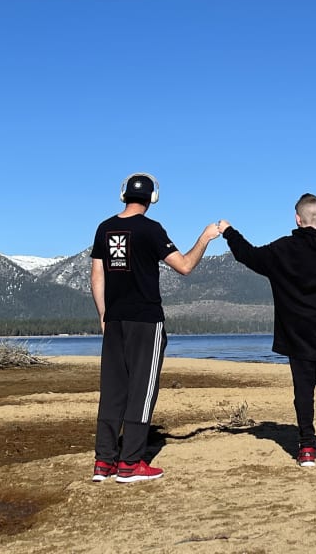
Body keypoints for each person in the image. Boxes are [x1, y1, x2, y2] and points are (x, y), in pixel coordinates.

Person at [90, 172, 219, 483]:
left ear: (123, 195)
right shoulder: (151, 229)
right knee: (142, 391)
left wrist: (104, 317)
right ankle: (131, 464)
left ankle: (104, 462)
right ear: (152, 199)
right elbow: (185, 266)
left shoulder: (105, 228)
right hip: (146, 320)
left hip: (115, 319)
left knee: (113, 390)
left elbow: (97, 277)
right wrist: (204, 237)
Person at [217, 193, 316, 468]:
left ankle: (305, 448)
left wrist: (228, 231)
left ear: (297, 218)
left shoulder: (283, 249)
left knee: (302, 391)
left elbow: (248, 255)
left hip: (297, 335)